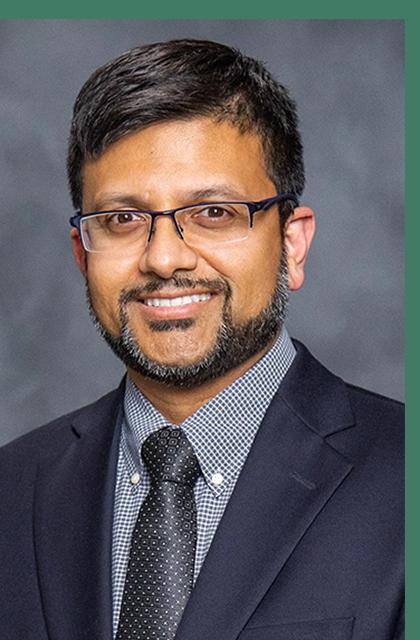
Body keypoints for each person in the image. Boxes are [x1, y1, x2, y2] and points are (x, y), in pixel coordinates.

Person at [0, 39, 403, 640]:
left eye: (214, 212)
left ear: (291, 244)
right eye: (121, 219)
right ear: (83, 254)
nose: (164, 259)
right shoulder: (12, 488)